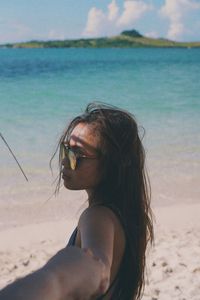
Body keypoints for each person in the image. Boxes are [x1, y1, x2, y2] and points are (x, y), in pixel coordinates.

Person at [0, 102, 154, 300]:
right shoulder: (128, 216)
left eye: (77, 154)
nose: (64, 161)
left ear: (112, 163)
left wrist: (56, 274)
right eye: (66, 149)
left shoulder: (97, 217)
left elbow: (99, 269)